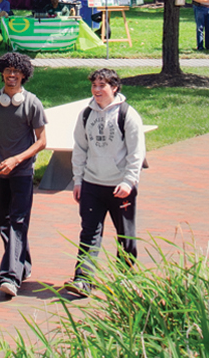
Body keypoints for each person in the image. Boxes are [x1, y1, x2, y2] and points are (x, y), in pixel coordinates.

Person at [63, 68, 147, 298]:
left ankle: (125, 280)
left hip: (120, 187)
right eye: (94, 86)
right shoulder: (86, 115)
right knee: (89, 233)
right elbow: (80, 149)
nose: (97, 90)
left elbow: (136, 153)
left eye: (102, 86)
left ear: (114, 88)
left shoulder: (128, 115)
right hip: (92, 184)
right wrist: (78, 180)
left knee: (125, 235)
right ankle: (83, 280)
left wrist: (129, 181)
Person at [0, 52, 47, 298]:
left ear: (24, 76)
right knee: (3, 223)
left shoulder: (32, 103)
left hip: (23, 171)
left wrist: (17, 159)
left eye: (17, 72)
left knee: (17, 221)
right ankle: (22, 264)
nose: (12, 75)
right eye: (8, 71)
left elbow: (41, 142)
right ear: (2, 73)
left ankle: (10, 276)